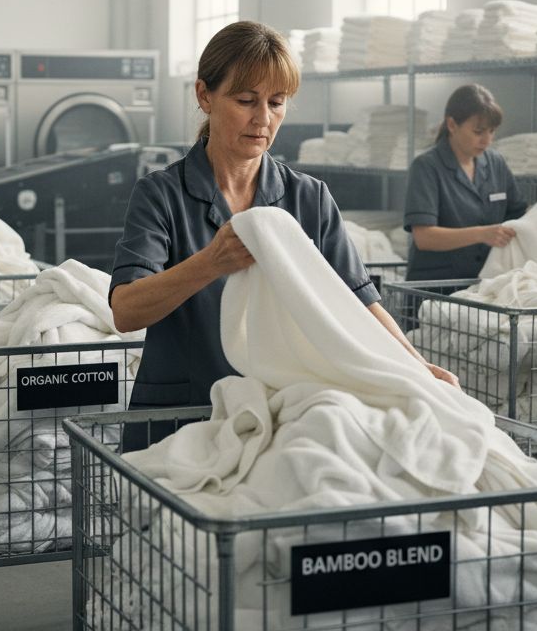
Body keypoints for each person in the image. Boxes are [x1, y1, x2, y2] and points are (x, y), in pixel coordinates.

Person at [109, 21, 458, 438]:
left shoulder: (308, 199)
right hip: (182, 419)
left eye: (277, 102)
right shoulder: (161, 195)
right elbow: (126, 311)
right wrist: (211, 262)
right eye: (245, 100)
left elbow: (361, 302)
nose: (263, 119)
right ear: (205, 95)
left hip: (280, 420)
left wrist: (418, 368)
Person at [403, 84, 529, 281]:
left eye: (492, 131)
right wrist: (481, 234)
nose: (486, 140)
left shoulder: (496, 163)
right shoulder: (426, 167)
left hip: (483, 287)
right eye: (478, 132)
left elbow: (520, 215)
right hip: (436, 288)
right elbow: (424, 237)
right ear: (452, 125)